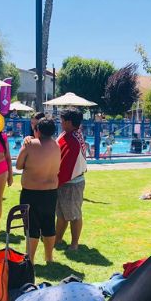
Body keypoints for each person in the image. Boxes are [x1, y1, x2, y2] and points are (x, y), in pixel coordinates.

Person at [16, 116, 61, 264]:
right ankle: (49, 257)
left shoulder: (30, 145)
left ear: (38, 130)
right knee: (49, 224)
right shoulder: (56, 145)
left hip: (31, 192)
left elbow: (18, 165)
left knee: (31, 227)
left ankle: (30, 258)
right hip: (50, 192)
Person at [55, 108, 89, 251]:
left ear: (69, 122)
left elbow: (67, 166)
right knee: (62, 214)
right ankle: (58, 239)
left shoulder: (73, 140)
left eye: (62, 121)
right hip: (66, 182)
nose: (61, 123)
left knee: (74, 214)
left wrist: (54, 182)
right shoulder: (71, 134)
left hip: (72, 183)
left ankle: (74, 243)